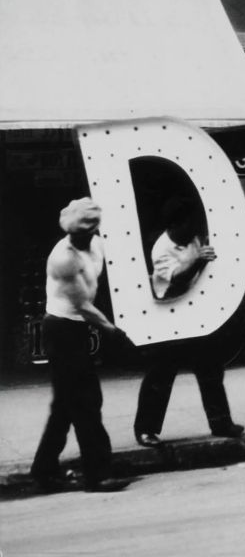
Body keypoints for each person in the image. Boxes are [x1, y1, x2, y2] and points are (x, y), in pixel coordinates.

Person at [30, 197, 133, 493]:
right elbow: (83, 305)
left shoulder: (96, 244)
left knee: (65, 405)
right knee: (87, 402)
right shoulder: (63, 258)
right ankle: (97, 474)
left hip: (75, 329)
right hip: (63, 329)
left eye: (87, 232)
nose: (82, 237)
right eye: (77, 234)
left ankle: (44, 470)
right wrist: (112, 330)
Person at [133, 199, 244, 447]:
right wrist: (197, 260)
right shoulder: (161, 249)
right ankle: (146, 429)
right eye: (189, 224)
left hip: (197, 313)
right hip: (170, 315)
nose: (194, 229)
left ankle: (221, 422)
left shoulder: (194, 238)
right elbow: (177, 281)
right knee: (160, 375)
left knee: (211, 370)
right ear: (175, 225)